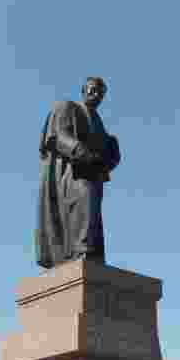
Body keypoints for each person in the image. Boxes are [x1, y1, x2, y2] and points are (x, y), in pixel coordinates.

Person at [36, 76, 122, 269]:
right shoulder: (67, 107)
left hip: (92, 173)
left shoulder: (97, 121)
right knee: (85, 198)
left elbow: (104, 147)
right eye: (92, 89)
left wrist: (112, 150)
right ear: (83, 90)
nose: (95, 94)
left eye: (100, 92)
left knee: (92, 214)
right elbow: (58, 135)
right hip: (72, 174)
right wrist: (81, 151)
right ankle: (82, 250)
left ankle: (88, 252)